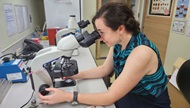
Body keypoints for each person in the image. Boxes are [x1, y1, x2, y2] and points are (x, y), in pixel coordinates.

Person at [39, 2, 171, 108]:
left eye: (102, 32)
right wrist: (73, 76)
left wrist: (67, 96)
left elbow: (109, 97)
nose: (99, 38)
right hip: (130, 94)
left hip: (147, 103)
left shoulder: (141, 52)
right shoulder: (119, 43)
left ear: (120, 29)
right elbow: (104, 70)